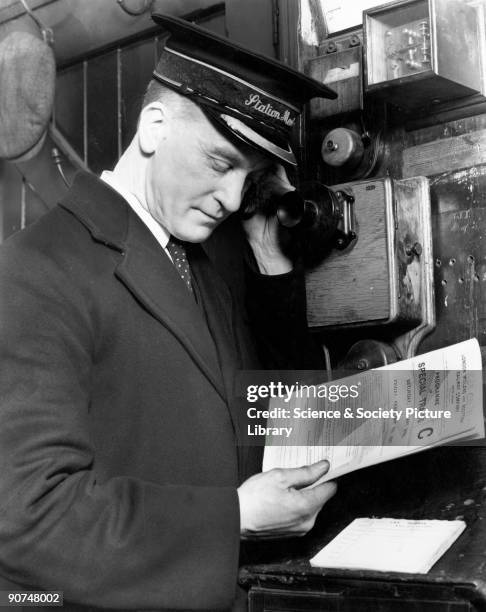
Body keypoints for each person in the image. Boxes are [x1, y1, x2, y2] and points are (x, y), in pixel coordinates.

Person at [0, 13, 338, 612]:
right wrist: (234, 518)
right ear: (153, 126)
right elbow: (30, 518)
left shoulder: (202, 272)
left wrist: (268, 254)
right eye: (220, 163)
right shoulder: (35, 268)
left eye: (251, 176)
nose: (233, 198)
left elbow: (270, 431)